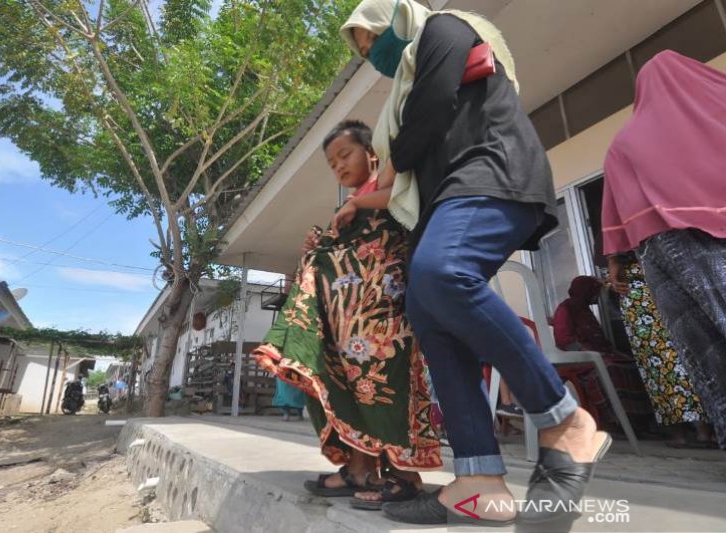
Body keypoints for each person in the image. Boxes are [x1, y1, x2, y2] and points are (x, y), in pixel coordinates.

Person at [340, 0, 610, 525]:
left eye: (372, 37)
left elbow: (433, 105)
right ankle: (480, 480)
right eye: (362, 50)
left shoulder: (444, 27)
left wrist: (389, 166)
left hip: (491, 171)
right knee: (428, 311)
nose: (372, 53)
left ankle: (564, 421)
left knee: (443, 273)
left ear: (394, 16)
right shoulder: (406, 82)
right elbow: (415, 129)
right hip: (448, 197)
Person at [253, 120, 442, 511]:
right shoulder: (350, 206)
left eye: (345, 154)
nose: (338, 166)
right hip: (349, 327)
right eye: (331, 162)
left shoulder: (392, 185)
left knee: (386, 392)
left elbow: (403, 204)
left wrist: (356, 206)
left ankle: (405, 476)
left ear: (371, 153)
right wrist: (319, 246)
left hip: (386, 319)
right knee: (349, 393)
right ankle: (359, 469)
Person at [602, 50, 726, 450]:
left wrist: (615, 261)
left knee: (700, 349)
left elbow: (616, 205)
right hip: (713, 237)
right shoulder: (714, 107)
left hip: (659, 252)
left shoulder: (624, 140)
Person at [608, 255, 714, 448]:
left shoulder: (619, 237)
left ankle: (684, 432)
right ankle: (702, 431)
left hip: (642, 294)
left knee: (660, 363)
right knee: (681, 359)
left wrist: (614, 265)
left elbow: (615, 263)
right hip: (654, 290)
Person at [552, 276, 655, 433]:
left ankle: (639, 420)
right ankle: (615, 420)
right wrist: (590, 352)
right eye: (595, 291)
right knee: (610, 367)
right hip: (579, 359)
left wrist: (609, 352)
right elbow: (564, 339)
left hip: (598, 354)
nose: (597, 295)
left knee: (633, 364)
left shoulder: (585, 310)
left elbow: (599, 339)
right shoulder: (566, 308)